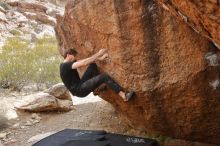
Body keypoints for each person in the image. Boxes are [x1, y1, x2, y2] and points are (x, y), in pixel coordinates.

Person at [60, 48, 134, 101]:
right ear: (68, 55)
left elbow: (86, 61)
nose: (75, 58)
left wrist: (99, 58)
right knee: (103, 77)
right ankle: (124, 95)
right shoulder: (65, 66)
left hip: (80, 84)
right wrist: (99, 53)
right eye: (74, 56)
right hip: (79, 90)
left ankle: (96, 89)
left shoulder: (67, 64)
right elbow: (84, 62)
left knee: (92, 65)